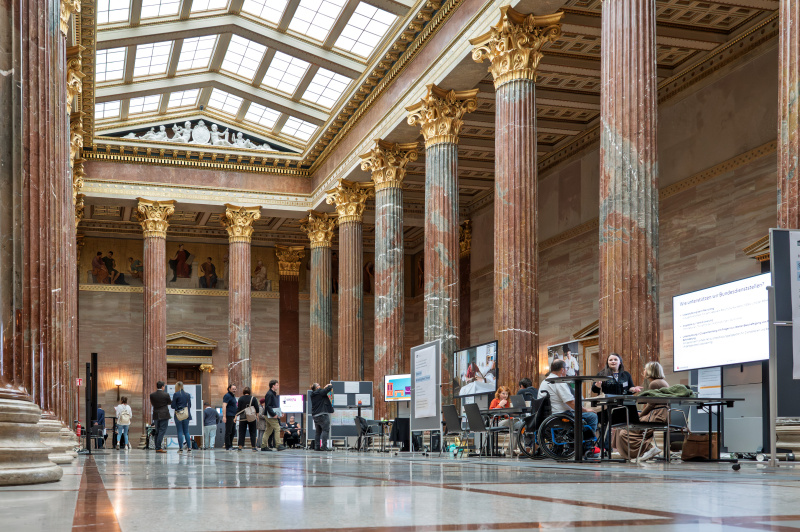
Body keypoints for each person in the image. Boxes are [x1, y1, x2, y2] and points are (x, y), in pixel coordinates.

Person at [614, 362, 670, 462]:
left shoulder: (654, 383)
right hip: (658, 414)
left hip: (656, 416)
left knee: (624, 429)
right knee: (624, 425)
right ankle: (624, 451)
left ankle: (648, 449)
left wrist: (640, 416)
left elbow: (651, 404)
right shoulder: (661, 382)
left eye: (645, 369)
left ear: (650, 371)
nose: (643, 371)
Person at [539, 359, 598, 434]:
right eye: (567, 368)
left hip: (549, 416)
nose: (567, 370)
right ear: (562, 370)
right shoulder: (559, 381)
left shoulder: (545, 381)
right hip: (561, 415)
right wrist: (585, 410)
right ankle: (586, 440)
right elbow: (571, 402)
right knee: (592, 416)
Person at [489, 386, 517, 457]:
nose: (505, 395)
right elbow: (491, 413)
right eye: (503, 393)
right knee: (514, 423)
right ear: (499, 394)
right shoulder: (495, 401)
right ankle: (510, 451)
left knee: (517, 427)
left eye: (506, 394)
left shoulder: (507, 403)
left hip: (506, 422)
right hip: (496, 422)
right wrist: (500, 405)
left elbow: (507, 415)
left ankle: (510, 450)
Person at [310, 382, 334, 451]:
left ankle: (317, 447)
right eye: (319, 385)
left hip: (315, 415)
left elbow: (323, 391)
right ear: (317, 387)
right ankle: (324, 446)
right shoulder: (319, 392)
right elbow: (329, 388)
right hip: (322, 414)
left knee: (318, 432)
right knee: (325, 430)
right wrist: (328, 385)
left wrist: (324, 388)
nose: (320, 386)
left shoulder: (313, 394)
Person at [171, 381, 193, 454]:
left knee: (180, 432)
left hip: (178, 415)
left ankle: (181, 449)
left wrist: (177, 407)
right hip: (186, 415)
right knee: (186, 431)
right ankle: (189, 448)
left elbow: (173, 406)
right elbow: (189, 405)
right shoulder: (187, 395)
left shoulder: (176, 394)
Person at [150, 381, 171, 454]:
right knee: (162, 431)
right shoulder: (166, 395)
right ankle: (158, 447)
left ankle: (157, 447)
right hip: (164, 414)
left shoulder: (152, 395)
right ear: (162, 387)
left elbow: (152, 403)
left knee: (157, 431)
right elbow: (169, 402)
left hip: (156, 414)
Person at [236, 387, 260, 452]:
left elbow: (239, 408)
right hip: (251, 416)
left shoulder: (240, 398)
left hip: (243, 417)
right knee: (252, 432)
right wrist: (257, 416)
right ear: (249, 392)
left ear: (243, 392)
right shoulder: (253, 398)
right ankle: (253, 447)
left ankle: (240, 446)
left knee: (241, 432)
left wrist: (236, 416)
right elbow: (257, 408)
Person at [261, 380, 282, 451]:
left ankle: (263, 446)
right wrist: (273, 414)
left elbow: (273, 406)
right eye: (277, 385)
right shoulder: (270, 394)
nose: (278, 386)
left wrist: (279, 412)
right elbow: (268, 406)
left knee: (268, 430)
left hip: (269, 414)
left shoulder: (272, 394)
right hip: (270, 415)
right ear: (273, 386)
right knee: (277, 428)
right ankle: (278, 445)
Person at [222, 384, 238, 451]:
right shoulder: (227, 396)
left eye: (235, 389)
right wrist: (224, 416)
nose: (234, 390)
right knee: (228, 431)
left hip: (233, 416)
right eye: (233, 389)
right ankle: (228, 446)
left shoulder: (233, 396)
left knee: (233, 431)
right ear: (229, 389)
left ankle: (230, 445)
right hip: (229, 416)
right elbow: (224, 406)